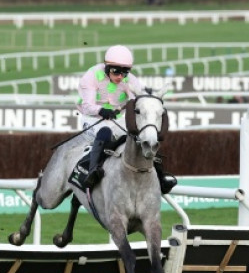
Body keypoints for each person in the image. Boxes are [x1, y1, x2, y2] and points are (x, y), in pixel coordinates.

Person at [76, 45, 177, 193]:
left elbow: (141, 98)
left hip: (115, 119)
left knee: (142, 134)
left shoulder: (130, 80)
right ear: (106, 67)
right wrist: (102, 110)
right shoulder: (91, 76)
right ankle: (92, 172)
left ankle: (159, 175)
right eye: (116, 71)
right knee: (104, 132)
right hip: (91, 119)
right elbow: (86, 106)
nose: (120, 77)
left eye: (125, 72)